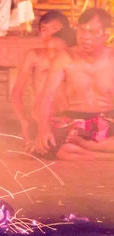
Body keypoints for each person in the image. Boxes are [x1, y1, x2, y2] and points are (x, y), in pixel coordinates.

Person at [31, 8, 114, 160]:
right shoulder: (65, 58)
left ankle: (90, 150)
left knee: (71, 149)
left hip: (108, 121)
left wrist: (89, 144)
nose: (85, 37)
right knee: (57, 147)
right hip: (74, 123)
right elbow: (47, 96)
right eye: (82, 31)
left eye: (92, 32)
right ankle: (102, 155)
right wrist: (43, 129)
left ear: (106, 35)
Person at [11, 11, 73, 143]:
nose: (49, 34)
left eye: (54, 28)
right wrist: (23, 121)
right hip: (40, 120)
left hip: (67, 118)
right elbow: (16, 92)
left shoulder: (73, 56)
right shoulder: (34, 56)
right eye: (44, 29)